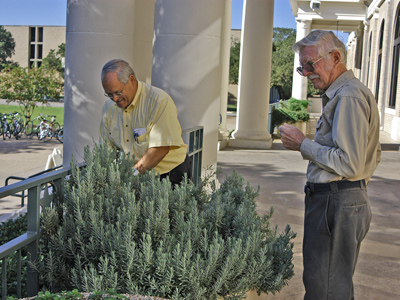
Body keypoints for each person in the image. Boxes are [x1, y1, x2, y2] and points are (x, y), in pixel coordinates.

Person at [279, 30, 381, 300]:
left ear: (336, 57)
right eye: (303, 68)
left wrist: (303, 143)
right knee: (328, 285)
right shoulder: (345, 94)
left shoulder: (348, 96)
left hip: (337, 201)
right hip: (340, 200)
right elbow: (371, 156)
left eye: (310, 65)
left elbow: (350, 163)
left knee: (325, 289)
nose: (307, 73)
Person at [99, 59, 191, 186]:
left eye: (118, 92)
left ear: (132, 80)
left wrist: (131, 176)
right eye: (109, 94)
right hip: (136, 173)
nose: (115, 99)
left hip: (169, 174)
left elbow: (160, 148)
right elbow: (105, 148)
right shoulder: (108, 108)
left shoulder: (159, 101)